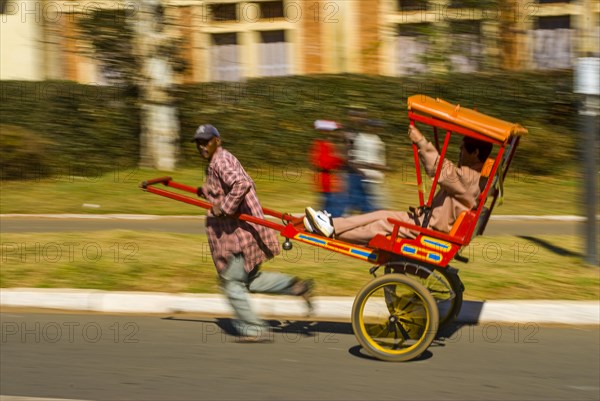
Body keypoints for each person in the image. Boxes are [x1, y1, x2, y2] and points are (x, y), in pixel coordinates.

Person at [192, 124, 313, 343]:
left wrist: (225, 207)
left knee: (231, 283)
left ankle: (254, 328)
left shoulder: (220, 161)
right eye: (199, 143)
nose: (202, 146)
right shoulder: (216, 161)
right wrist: (208, 190)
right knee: (249, 280)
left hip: (238, 238)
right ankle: (294, 285)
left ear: (217, 140)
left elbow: (242, 182)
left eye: (206, 141)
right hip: (241, 235)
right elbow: (224, 186)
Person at [303, 124, 493, 244]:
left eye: (463, 147)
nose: (459, 150)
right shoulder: (473, 178)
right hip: (430, 223)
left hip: (431, 230)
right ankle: (332, 225)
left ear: (475, 153)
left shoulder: (470, 178)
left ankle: (332, 232)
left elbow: (441, 170)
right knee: (381, 214)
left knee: (382, 224)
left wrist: (421, 141)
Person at [309, 120, 346, 217]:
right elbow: (324, 163)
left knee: (329, 206)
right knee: (330, 208)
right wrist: (338, 159)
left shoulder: (327, 145)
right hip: (326, 181)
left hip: (331, 181)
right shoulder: (321, 145)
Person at [350, 119, 388, 210]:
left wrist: (383, 169)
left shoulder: (378, 140)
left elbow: (381, 159)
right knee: (373, 208)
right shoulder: (361, 139)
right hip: (367, 178)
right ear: (369, 127)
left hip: (378, 178)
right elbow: (358, 160)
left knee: (380, 207)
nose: (378, 129)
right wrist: (371, 166)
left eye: (379, 127)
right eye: (375, 127)